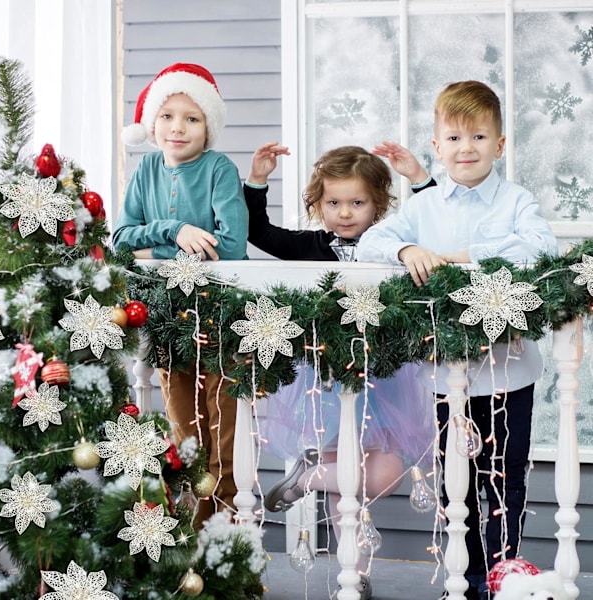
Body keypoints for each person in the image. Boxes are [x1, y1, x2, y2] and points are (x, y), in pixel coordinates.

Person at [357, 81, 558, 600]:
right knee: (455, 481)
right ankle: (461, 579)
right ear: (437, 146)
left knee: (506, 478)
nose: (466, 148)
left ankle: (503, 577)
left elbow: (540, 249)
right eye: (454, 137)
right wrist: (405, 249)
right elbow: (370, 243)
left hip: (508, 371)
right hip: (444, 377)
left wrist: (464, 255)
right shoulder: (423, 207)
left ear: (500, 144)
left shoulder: (517, 201)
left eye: (478, 136)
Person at [245, 142, 436, 600]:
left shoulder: (392, 243)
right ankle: (357, 573)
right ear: (318, 204)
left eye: (357, 202)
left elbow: (434, 222)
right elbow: (258, 232)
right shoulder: (310, 246)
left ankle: (306, 477)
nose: (345, 213)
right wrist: (257, 180)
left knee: (380, 476)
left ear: (378, 203)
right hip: (329, 381)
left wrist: (420, 177)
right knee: (347, 492)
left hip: (387, 381)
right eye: (333, 202)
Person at [113, 62, 249, 526]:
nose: (178, 127)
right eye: (168, 115)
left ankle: (225, 530)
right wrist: (177, 229)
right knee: (182, 425)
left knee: (223, 423)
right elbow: (120, 238)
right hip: (168, 316)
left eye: (191, 118)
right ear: (152, 124)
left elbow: (229, 246)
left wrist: (158, 247)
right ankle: (189, 524)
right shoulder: (146, 168)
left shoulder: (219, 169)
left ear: (208, 126)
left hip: (219, 311)